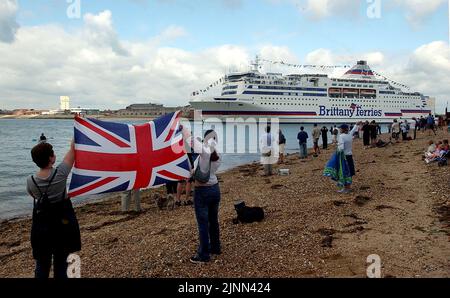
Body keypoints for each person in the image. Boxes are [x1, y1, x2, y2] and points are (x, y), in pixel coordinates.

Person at [27, 141, 81, 279]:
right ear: (51, 158)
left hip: (41, 228)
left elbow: (34, 196)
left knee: (42, 264)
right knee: (61, 264)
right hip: (61, 227)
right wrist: (74, 139)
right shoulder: (60, 173)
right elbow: (72, 153)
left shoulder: (30, 181)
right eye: (53, 153)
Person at [183, 128, 221, 264]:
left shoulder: (205, 152)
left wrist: (184, 130)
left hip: (203, 192)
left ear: (205, 140)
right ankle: (215, 247)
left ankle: (204, 255)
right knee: (213, 220)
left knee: (203, 224)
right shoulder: (217, 154)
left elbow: (192, 141)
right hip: (215, 189)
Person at [336, 123, 360, 193]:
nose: (339, 129)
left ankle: (346, 188)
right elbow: (353, 130)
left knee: (344, 171)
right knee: (349, 171)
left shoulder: (341, 136)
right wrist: (356, 124)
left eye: (340, 128)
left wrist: (337, 150)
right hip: (349, 155)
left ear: (343, 129)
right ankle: (348, 187)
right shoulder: (349, 135)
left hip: (344, 156)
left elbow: (341, 148)